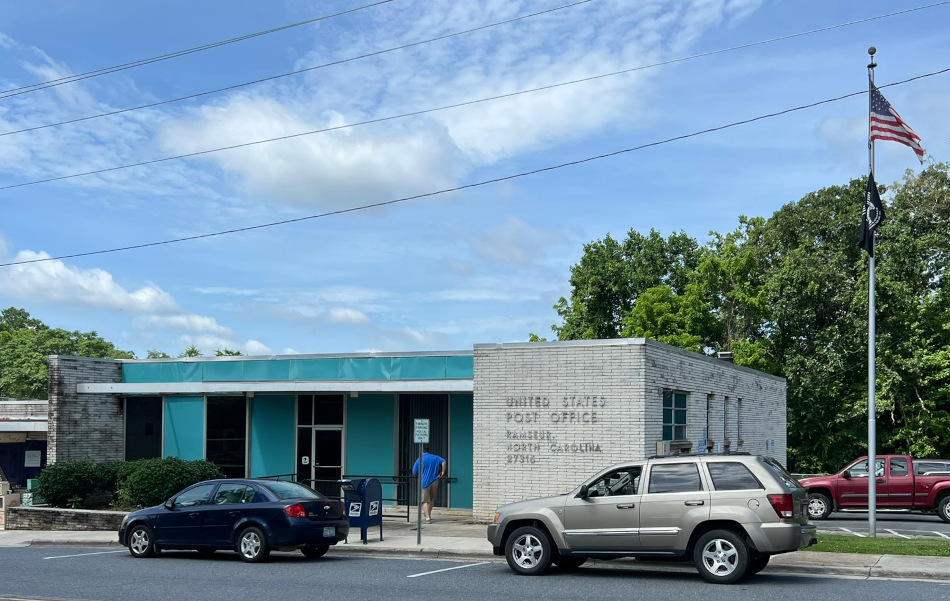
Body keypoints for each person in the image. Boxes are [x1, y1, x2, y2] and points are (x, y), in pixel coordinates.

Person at [411, 444, 446, 523]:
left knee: (425, 501)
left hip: (424, 482)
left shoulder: (420, 459)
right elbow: (444, 461)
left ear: (421, 451)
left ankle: (427, 517)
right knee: (432, 499)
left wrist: (416, 475)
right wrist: (443, 472)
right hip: (435, 480)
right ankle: (429, 514)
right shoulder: (435, 457)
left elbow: (414, 472)